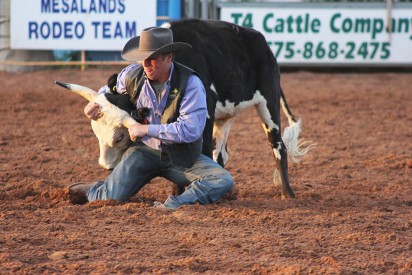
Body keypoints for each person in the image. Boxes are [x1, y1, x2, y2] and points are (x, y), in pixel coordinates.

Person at [67, 27, 234, 210]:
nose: (145, 63)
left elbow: (190, 130)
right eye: (143, 57)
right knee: (109, 198)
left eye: (152, 58)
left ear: (169, 57)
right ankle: (93, 190)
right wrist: (96, 104)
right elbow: (108, 93)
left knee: (222, 180)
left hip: (181, 155)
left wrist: (145, 130)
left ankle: (175, 204)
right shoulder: (131, 75)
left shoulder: (191, 84)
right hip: (143, 151)